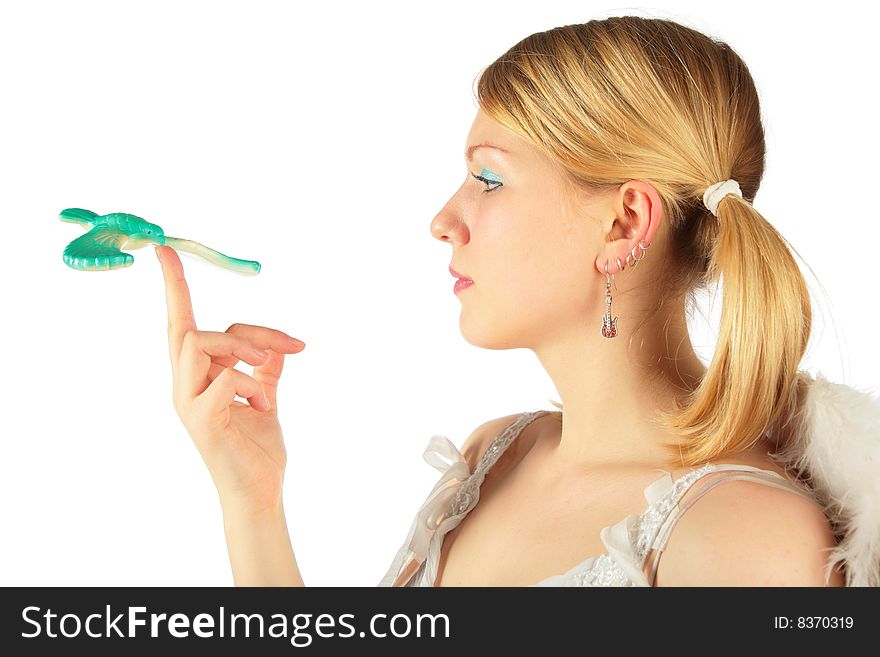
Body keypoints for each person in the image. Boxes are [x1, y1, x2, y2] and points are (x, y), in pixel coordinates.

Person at [157, 16, 859, 587]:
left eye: (488, 179)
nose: (443, 220)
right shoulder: (494, 457)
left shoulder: (745, 538)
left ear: (624, 224)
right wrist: (252, 503)